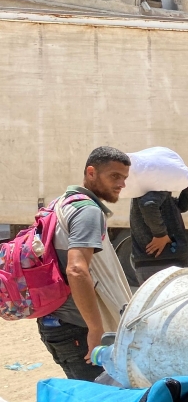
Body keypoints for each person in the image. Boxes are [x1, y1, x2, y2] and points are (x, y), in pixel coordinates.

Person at [41, 147, 133, 381]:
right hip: (78, 328)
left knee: (86, 396)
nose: (122, 184)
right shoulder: (88, 211)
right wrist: (95, 329)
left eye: (124, 178)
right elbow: (77, 269)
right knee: (100, 401)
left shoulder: (61, 203)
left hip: (55, 324)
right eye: (115, 176)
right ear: (91, 172)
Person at [129, 170, 188, 283]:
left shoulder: (153, 191)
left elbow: (181, 206)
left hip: (158, 263)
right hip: (162, 263)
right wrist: (160, 234)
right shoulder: (155, 189)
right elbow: (148, 204)